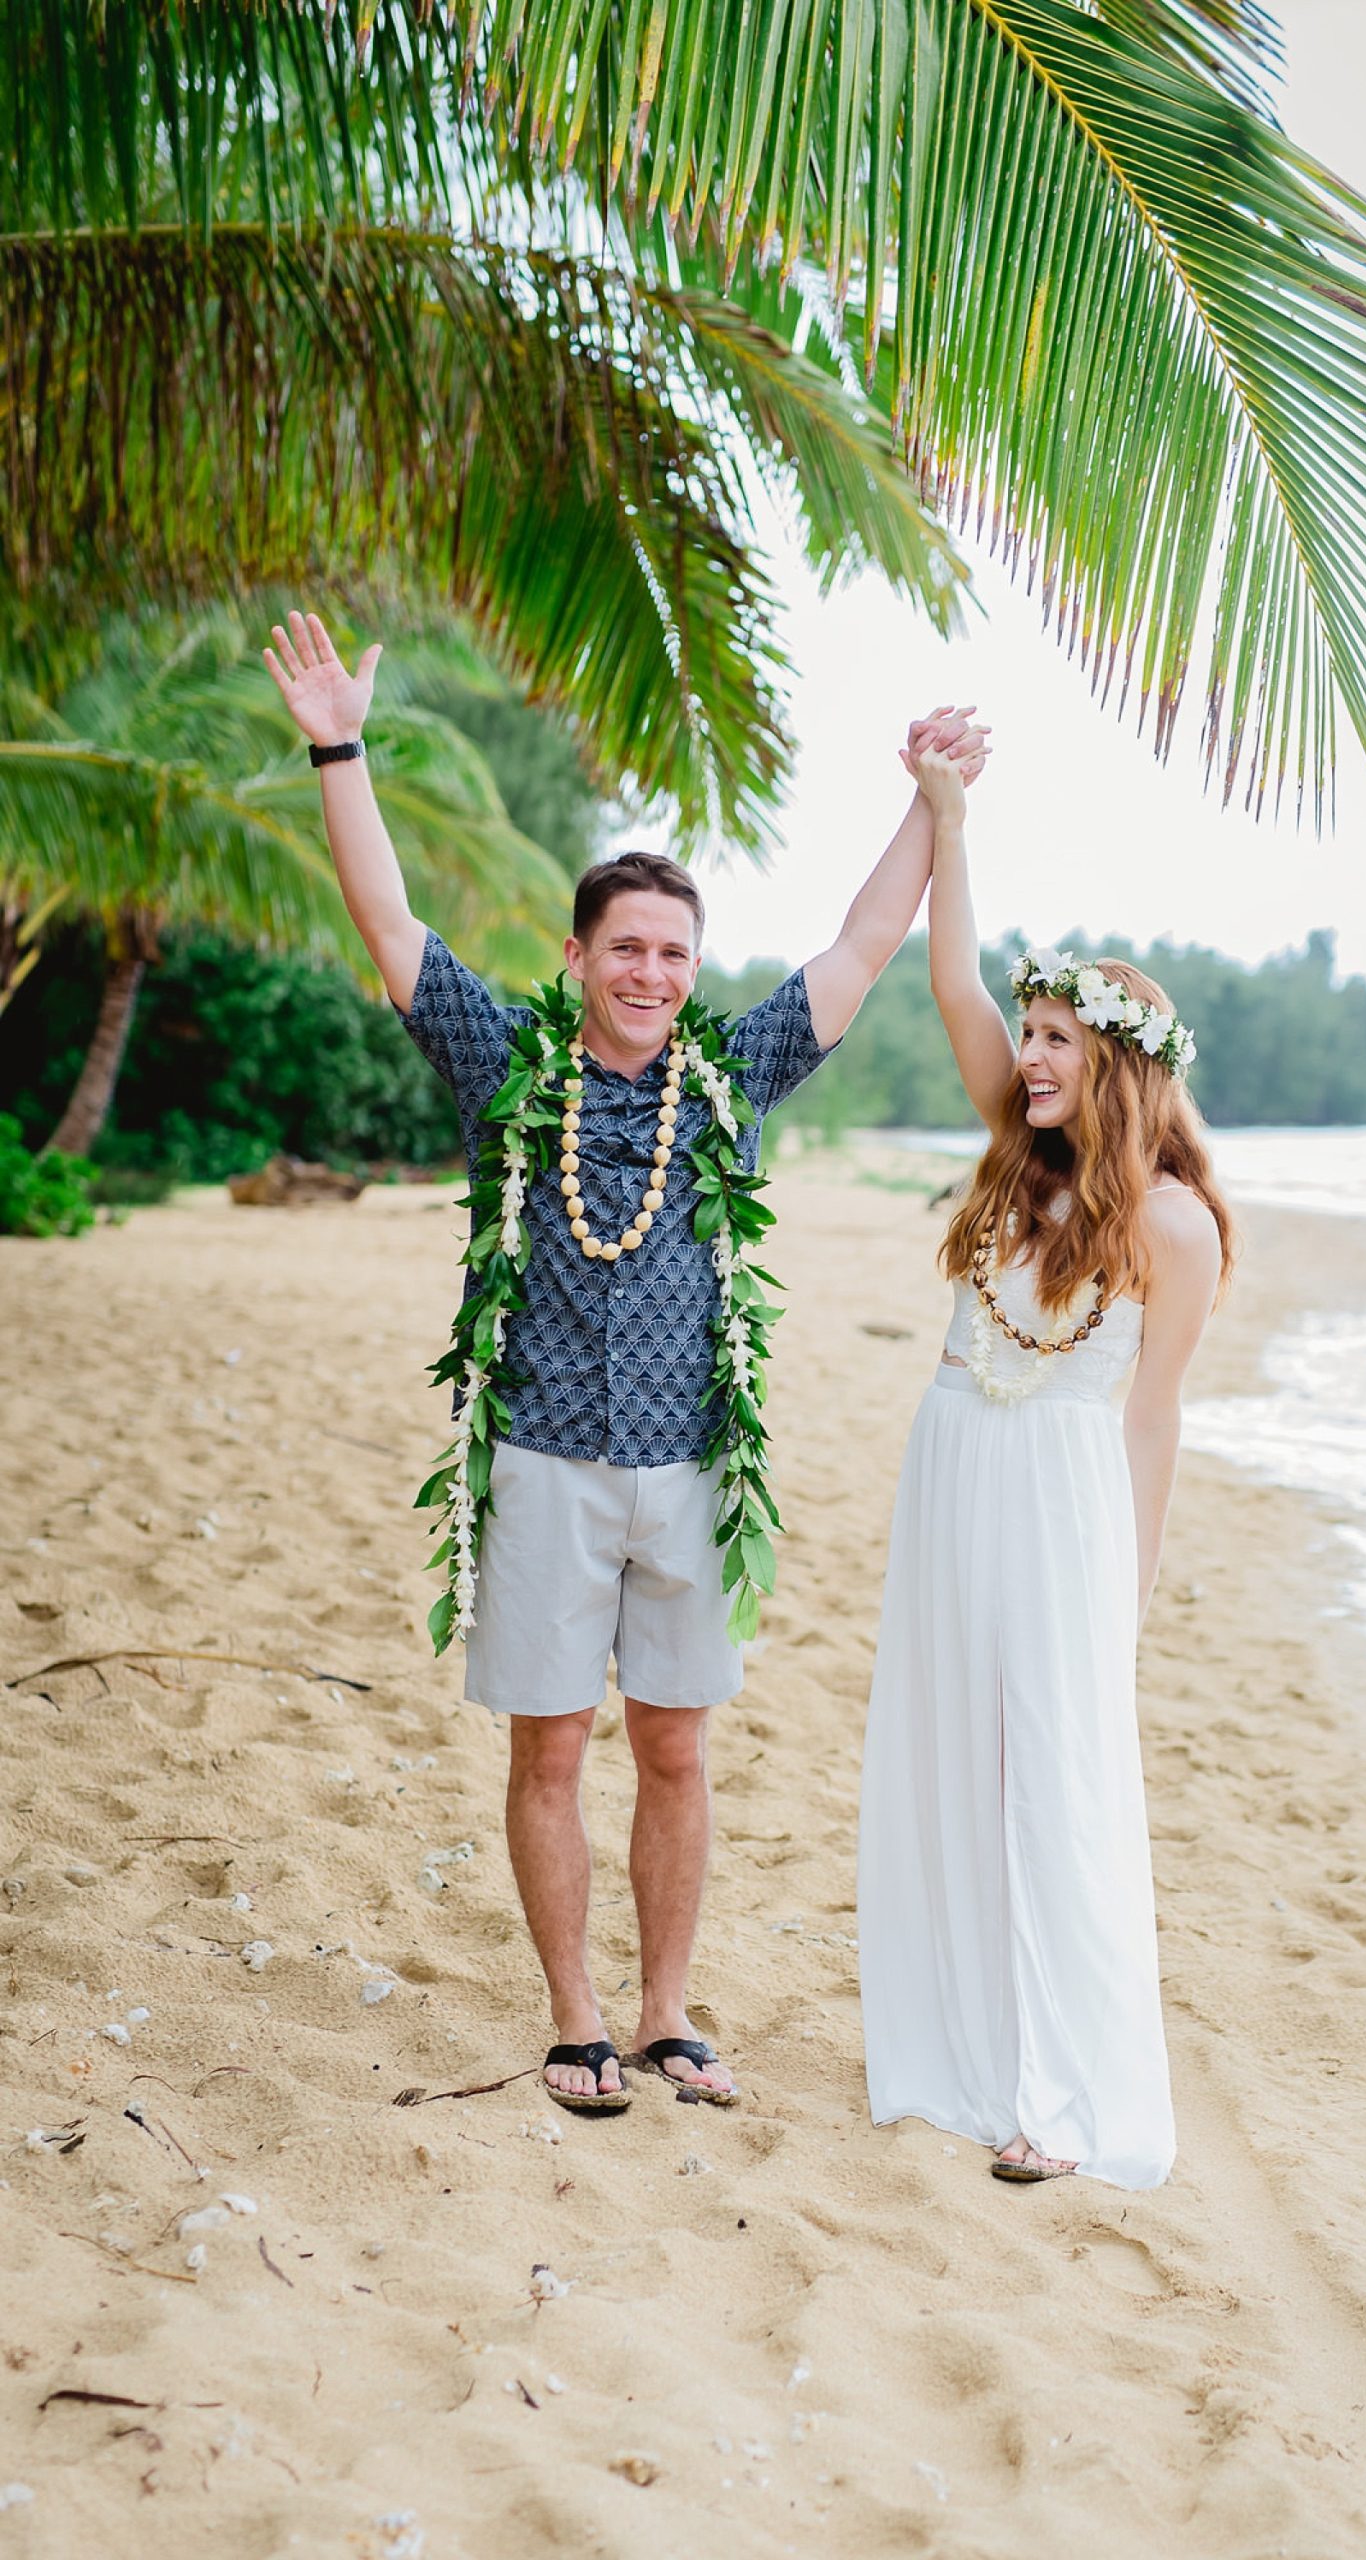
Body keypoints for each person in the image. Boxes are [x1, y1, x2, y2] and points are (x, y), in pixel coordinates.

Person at [262, 608, 988, 2116]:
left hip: (691, 1471)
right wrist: (339, 743)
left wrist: (928, 803)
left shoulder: (731, 1077)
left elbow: (862, 946)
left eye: (675, 952)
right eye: (628, 948)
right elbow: (391, 927)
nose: (652, 973)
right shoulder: (503, 1067)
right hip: (536, 1460)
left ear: (690, 966)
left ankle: (668, 2016)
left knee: (674, 1755)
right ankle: (575, 2017)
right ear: (580, 955)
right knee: (548, 1755)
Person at [857, 746, 1233, 2187]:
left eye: (1057, 1039)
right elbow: (948, 985)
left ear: (1118, 1062)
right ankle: (963, 2049)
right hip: (953, 1468)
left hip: (1067, 1504)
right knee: (956, 1753)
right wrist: (950, 822)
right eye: (1027, 1035)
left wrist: (1126, 1589)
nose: (1027, 1053)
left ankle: (1056, 2099)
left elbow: (1151, 1420)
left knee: (1055, 1780)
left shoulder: (1178, 1229)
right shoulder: (1014, 1161)